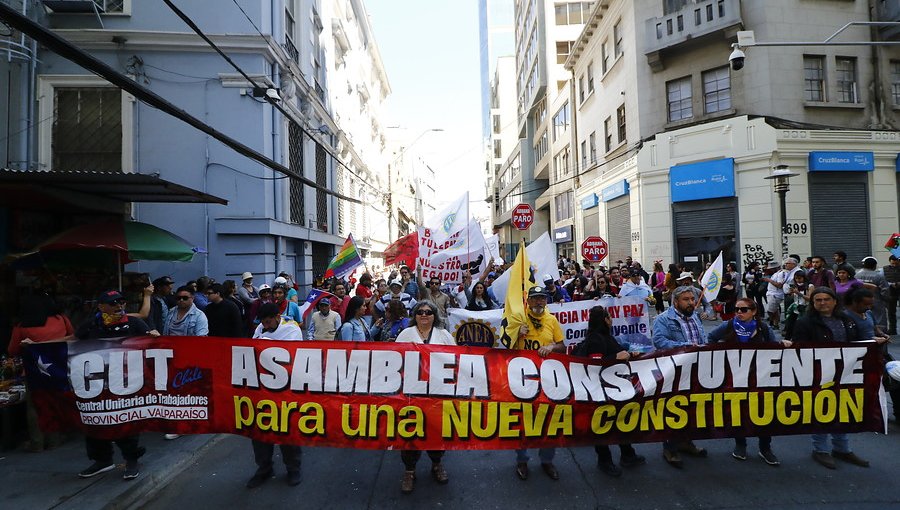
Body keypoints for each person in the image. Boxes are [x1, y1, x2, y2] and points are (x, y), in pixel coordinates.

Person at [74, 290, 157, 480]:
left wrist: (155, 337)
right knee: (95, 421)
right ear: (101, 307)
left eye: (121, 302)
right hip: (97, 385)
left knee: (125, 422)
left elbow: (153, 346)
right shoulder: (91, 325)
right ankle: (102, 460)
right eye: (113, 303)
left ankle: (131, 460)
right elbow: (70, 341)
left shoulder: (134, 323)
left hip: (126, 385)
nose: (119, 306)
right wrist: (38, 344)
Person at [792, 287, 869, 470]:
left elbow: (856, 342)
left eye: (826, 299)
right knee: (821, 410)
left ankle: (842, 449)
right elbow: (799, 349)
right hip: (818, 374)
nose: (822, 303)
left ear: (835, 301)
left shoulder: (846, 320)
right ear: (813, 303)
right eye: (818, 300)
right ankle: (821, 450)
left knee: (843, 410)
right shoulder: (805, 322)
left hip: (846, 373)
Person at [708, 298, 784, 466]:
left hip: (760, 377)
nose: (739, 313)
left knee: (764, 413)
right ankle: (740, 445)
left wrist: (783, 344)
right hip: (735, 377)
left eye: (744, 310)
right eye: (737, 310)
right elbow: (711, 338)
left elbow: (774, 345)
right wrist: (718, 357)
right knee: (738, 412)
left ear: (754, 311)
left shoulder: (763, 327)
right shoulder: (728, 325)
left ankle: (765, 448)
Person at [571, 305, 646, 477]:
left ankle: (628, 454)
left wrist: (628, 354)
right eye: (609, 317)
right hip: (600, 392)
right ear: (604, 320)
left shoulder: (605, 337)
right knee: (602, 426)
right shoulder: (596, 339)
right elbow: (595, 364)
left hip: (613, 390)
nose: (612, 320)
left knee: (620, 422)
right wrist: (615, 358)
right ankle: (604, 461)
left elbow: (616, 353)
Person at [394, 300, 455, 493]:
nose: (424, 315)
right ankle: (409, 470)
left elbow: (456, 358)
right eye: (420, 312)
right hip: (412, 393)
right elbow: (394, 358)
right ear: (415, 315)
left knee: (436, 430)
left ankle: (437, 464)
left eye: (428, 312)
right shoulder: (405, 334)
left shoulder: (443, 335)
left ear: (434, 315)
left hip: (437, 392)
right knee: (410, 431)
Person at [512, 286, 566, 481]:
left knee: (548, 422)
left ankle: (547, 461)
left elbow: (562, 346)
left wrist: (552, 346)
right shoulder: (518, 319)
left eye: (542, 299)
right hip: (523, 380)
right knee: (524, 423)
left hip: (547, 380)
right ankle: (522, 460)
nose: (539, 302)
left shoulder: (551, 320)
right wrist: (516, 334)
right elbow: (504, 348)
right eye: (535, 299)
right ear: (528, 301)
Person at [247, 303, 303, 488]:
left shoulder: (292, 330)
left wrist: (266, 345)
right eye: (263, 322)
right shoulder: (261, 328)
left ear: (277, 316)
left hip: (286, 389)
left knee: (286, 430)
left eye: (269, 321)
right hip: (262, 388)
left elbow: (291, 355)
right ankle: (264, 468)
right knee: (260, 430)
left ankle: (293, 468)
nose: (266, 325)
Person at [651, 285, 708, 468]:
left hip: (695, 370)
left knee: (691, 409)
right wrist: (687, 347)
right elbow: (660, 341)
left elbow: (702, 339)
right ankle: (670, 448)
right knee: (674, 410)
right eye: (686, 299)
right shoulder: (664, 320)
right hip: (674, 372)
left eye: (692, 299)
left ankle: (686, 442)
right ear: (675, 301)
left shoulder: (695, 317)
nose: (691, 302)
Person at [9, 294, 74, 452]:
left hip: (34, 371)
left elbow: (12, 350)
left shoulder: (22, 326)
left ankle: (37, 443)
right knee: (56, 403)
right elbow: (73, 336)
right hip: (60, 369)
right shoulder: (61, 319)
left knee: (34, 407)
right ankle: (55, 440)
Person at [855, 257, 890, 329]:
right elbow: (885, 290)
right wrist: (886, 299)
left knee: (862, 316)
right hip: (876, 300)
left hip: (860, 300)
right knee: (879, 319)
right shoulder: (878, 276)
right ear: (875, 265)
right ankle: (880, 334)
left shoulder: (857, 275)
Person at [783, 271, 812, 341]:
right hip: (796, 308)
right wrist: (791, 293)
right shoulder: (796, 286)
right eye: (796, 279)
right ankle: (787, 339)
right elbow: (793, 298)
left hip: (805, 308)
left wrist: (798, 293)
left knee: (801, 326)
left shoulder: (809, 286)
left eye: (799, 278)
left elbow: (810, 298)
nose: (798, 280)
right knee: (790, 324)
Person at [761, 261, 787, 329]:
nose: (770, 270)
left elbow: (779, 285)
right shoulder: (775, 273)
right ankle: (775, 324)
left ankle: (773, 321)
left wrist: (768, 280)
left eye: (771, 269)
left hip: (775, 294)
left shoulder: (781, 273)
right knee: (775, 310)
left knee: (770, 310)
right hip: (772, 294)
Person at [884, 255, 900, 335]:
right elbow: (882, 280)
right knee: (891, 312)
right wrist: (890, 284)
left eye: (896, 264)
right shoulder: (884, 269)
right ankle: (892, 329)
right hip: (891, 292)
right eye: (892, 263)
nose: (894, 265)